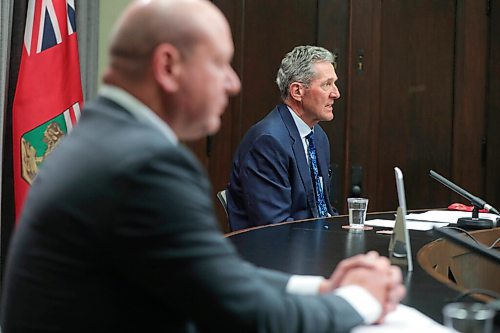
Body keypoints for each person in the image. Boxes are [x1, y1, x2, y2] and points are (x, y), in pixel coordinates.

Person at [0, 1, 405, 332]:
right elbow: (237, 310)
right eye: (219, 64)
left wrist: (320, 287)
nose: (232, 83)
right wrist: (358, 301)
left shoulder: (103, 138)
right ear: (168, 66)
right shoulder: (144, 165)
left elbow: (211, 273)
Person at [227, 45, 339, 231]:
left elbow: (322, 209)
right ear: (297, 91)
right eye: (327, 84)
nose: (336, 93)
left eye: (334, 83)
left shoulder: (317, 136)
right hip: (274, 253)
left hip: (312, 244)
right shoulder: (267, 141)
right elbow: (274, 226)